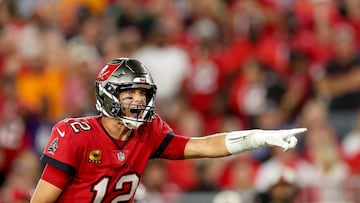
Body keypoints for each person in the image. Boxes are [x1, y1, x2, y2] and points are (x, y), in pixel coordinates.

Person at [30, 58, 307, 202]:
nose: (138, 101)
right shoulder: (75, 135)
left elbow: (203, 146)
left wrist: (256, 137)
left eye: (142, 93)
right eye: (130, 94)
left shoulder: (148, 131)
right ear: (108, 96)